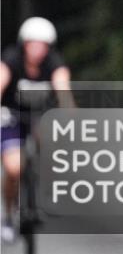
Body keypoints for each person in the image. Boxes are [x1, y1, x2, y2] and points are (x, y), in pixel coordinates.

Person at [0, 17, 73, 243]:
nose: (38, 50)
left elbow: (63, 89)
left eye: (43, 45)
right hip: (11, 117)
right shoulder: (11, 59)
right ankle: (9, 216)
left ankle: (51, 188)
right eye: (33, 44)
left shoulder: (54, 62)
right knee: (13, 169)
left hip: (40, 117)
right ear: (24, 44)